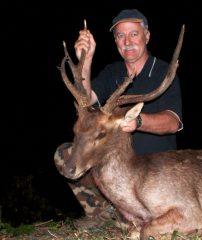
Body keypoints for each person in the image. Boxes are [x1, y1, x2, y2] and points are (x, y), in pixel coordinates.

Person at [54, 9, 183, 230]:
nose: (127, 41)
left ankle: (129, 215)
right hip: (117, 165)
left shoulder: (162, 72)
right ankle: (103, 212)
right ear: (115, 41)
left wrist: (138, 122)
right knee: (66, 153)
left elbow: (173, 122)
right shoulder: (112, 72)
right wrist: (86, 59)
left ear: (147, 36)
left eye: (134, 34)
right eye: (121, 36)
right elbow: (86, 102)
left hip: (154, 168)